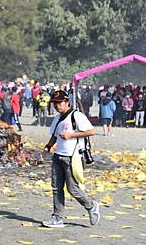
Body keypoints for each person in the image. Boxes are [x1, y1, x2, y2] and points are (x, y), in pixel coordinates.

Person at [42, 90, 100, 228]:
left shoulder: (76, 116)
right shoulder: (57, 118)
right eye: (54, 103)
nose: (57, 106)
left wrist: (71, 135)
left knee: (73, 189)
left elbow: (91, 131)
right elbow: (54, 135)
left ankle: (91, 206)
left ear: (67, 102)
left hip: (72, 157)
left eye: (59, 103)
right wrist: (48, 146)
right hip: (58, 156)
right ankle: (57, 218)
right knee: (56, 188)